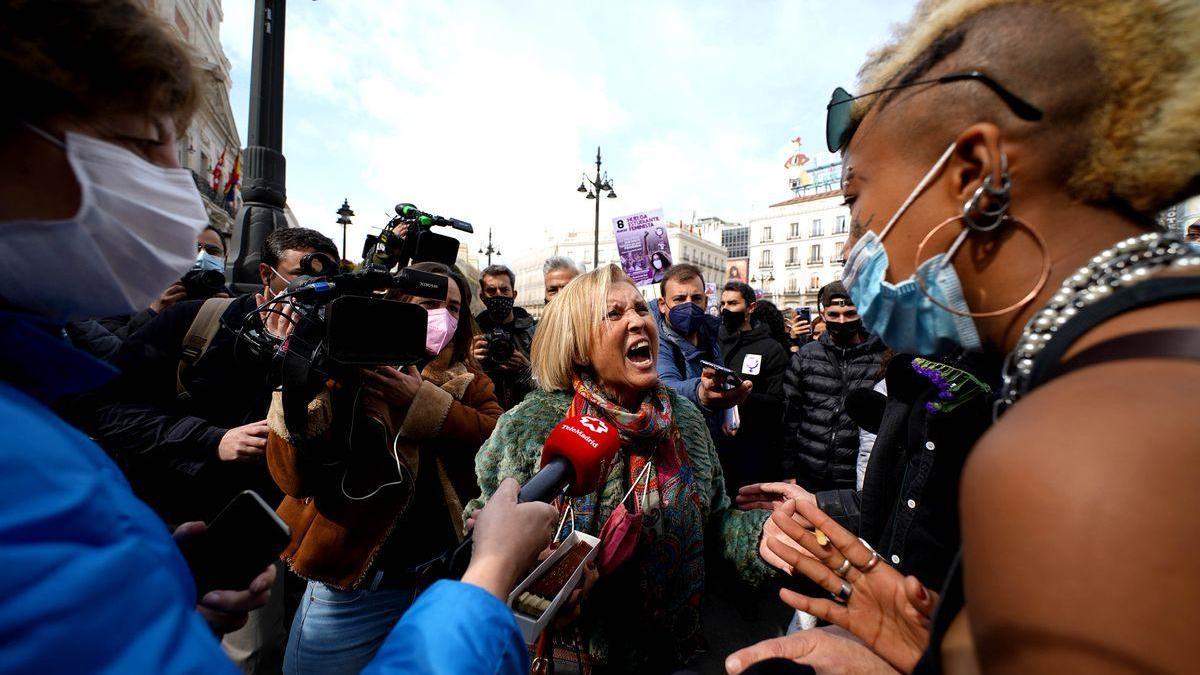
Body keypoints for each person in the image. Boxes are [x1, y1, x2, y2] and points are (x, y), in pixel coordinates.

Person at [734, 0, 1200, 673]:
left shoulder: (1080, 449)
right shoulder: (1136, 357)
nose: (850, 250)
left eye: (856, 202)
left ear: (973, 174)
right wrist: (927, 652)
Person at [0, 0, 276, 668]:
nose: (174, 189)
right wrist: (481, 588)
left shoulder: (38, 382)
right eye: (147, 144)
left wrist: (157, 581)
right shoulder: (25, 472)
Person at [466, 265, 775, 673]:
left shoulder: (684, 418)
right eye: (614, 314)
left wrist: (763, 535)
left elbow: (715, 522)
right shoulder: (531, 424)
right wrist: (535, 569)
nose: (637, 321)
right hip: (570, 655)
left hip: (671, 654)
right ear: (577, 347)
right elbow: (482, 524)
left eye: (640, 310)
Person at [269, 261, 504, 675]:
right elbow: (295, 476)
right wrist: (296, 375)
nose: (443, 316)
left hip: (436, 579)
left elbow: (494, 434)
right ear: (397, 306)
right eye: (429, 303)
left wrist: (422, 400)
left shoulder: (472, 381)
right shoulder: (354, 365)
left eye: (454, 307)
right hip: (355, 587)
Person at [85, 226, 339, 526]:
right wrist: (211, 440)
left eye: (327, 280)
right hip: (167, 516)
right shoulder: (193, 320)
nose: (316, 289)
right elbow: (106, 410)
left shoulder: (333, 347)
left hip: (270, 526)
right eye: (302, 275)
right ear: (266, 274)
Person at [65, 224, 230, 360]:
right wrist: (152, 313)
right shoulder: (127, 295)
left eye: (212, 251)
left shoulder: (231, 304)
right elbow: (107, 349)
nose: (201, 256)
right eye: (192, 248)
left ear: (225, 258)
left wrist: (228, 317)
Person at [781, 281, 886, 493]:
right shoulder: (807, 355)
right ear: (822, 313)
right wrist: (788, 471)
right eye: (834, 314)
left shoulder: (881, 357)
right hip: (808, 473)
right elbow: (790, 416)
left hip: (856, 477)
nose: (842, 321)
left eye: (850, 313)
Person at [654, 264, 751, 437]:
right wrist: (700, 392)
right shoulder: (657, 343)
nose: (689, 306)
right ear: (662, 304)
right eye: (679, 299)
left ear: (705, 302)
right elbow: (666, 385)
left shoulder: (711, 335)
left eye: (696, 298)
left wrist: (728, 414)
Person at [717, 281, 789, 491]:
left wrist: (742, 395)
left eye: (732, 303)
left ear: (751, 308)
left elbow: (779, 401)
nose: (725, 309)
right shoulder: (714, 342)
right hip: (718, 447)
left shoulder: (771, 349)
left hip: (754, 450)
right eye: (722, 303)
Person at [473, 264, 536, 410]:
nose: (499, 294)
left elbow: (548, 384)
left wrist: (527, 368)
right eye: (491, 290)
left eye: (504, 290)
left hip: (524, 412)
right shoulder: (471, 334)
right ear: (482, 297)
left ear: (513, 294)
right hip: (486, 412)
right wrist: (469, 362)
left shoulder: (534, 332)